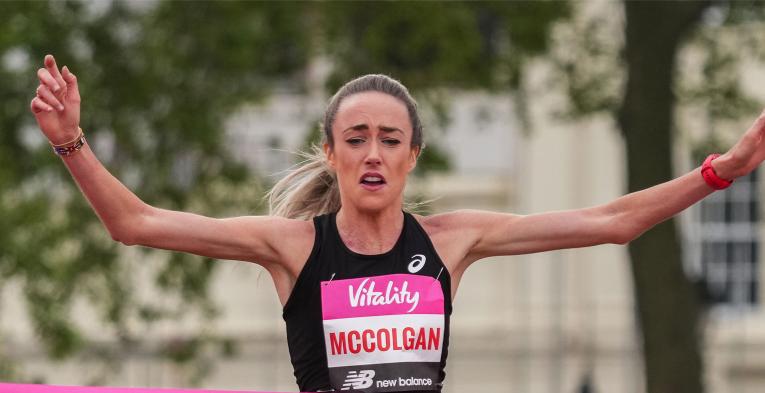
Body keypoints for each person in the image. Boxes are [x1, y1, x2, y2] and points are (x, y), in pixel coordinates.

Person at [30, 53, 765, 393]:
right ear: (331, 152)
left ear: (413, 155)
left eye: (389, 138)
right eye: (355, 139)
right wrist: (70, 141)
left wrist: (720, 172)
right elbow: (135, 222)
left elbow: (608, 220)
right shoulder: (291, 247)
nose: (372, 153)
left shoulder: (450, 241)